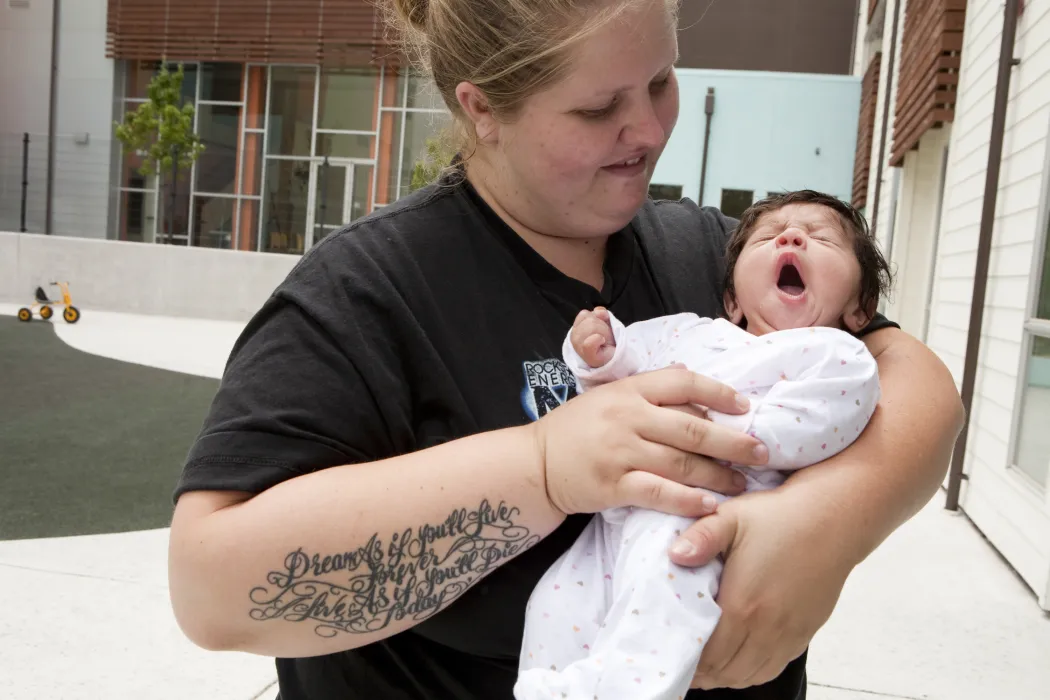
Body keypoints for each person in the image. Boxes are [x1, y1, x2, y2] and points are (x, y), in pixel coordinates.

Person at [166, 0, 964, 698]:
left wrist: (831, 520)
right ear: (482, 108)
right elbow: (211, 589)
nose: (649, 130)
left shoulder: (708, 255)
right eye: (598, 108)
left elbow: (914, 377)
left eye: (661, 81)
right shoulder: (368, 292)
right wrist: (545, 470)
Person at [514, 191, 889, 700]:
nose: (792, 236)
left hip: (710, 506)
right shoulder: (688, 333)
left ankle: (625, 691)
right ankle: (545, 688)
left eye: (821, 238)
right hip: (620, 513)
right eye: (767, 236)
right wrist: (600, 350)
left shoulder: (837, 355)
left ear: (860, 308)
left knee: (665, 586)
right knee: (556, 602)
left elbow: (817, 424)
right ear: (733, 300)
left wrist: (704, 424)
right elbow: (629, 363)